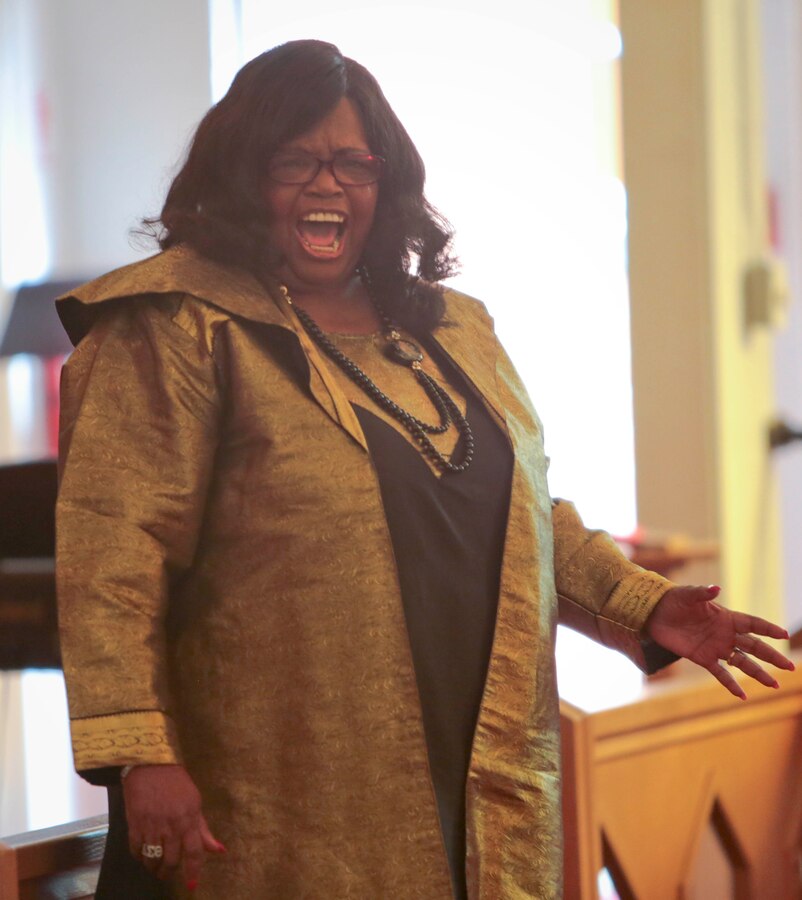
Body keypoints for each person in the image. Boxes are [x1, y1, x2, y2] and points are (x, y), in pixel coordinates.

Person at [55, 39, 793, 899]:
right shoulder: (175, 328)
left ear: (387, 180)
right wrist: (140, 754)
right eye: (294, 159)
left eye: (352, 162)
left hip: (482, 769)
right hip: (283, 795)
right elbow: (112, 557)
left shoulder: (453, 330)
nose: (327, 185)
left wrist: (647, 605)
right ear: (241, 175)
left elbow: (524, 517)